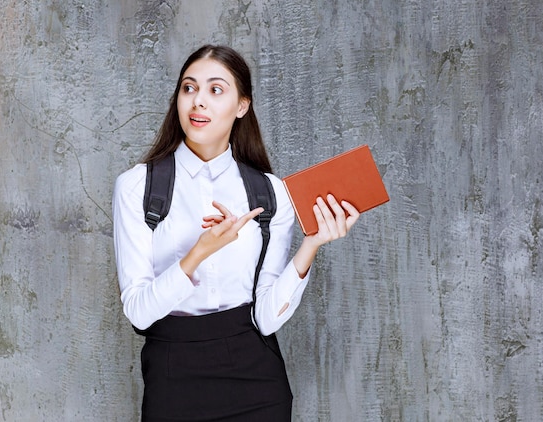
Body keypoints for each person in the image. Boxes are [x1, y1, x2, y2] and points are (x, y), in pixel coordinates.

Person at [112, 44, 359, 421]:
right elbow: (139, 313)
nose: (198, 102)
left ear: (241, 106)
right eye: (189, 88)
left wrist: (312, 244)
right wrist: (198, 254)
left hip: (256, 379)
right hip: (173, 377)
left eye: (215, 90)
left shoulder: (271, 192)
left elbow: (265, 318)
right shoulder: (137, 186)